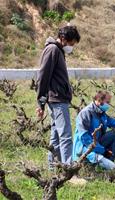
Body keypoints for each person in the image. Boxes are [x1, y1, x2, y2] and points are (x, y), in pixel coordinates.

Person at [36, 25, 80, 166]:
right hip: (57, 99)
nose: (71, 47)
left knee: (55, 136)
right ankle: (68, 170)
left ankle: (53, 167)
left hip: (58, 98)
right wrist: (40, 102)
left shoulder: (58, 50)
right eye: (71, 43)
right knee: (66, 136)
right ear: (63, 39)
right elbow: (43, 77)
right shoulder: (52, 50)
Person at [73, 91, 115, 170]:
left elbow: (114, 123)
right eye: (107, 102)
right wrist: (102, 150)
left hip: (97, 145)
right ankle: (104, 166)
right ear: (99, 100)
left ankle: (109, 162)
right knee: (114, 169)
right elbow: (84, 138)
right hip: (85, 148)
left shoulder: (101, 113)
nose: (108, 104)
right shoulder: (86, 113)